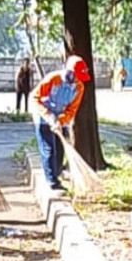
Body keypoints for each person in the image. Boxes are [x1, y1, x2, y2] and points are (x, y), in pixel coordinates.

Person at [31, 55, 90, 192]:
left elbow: (72, 110)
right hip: (43, 116)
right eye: (76, 76)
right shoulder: (53, 79)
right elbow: (35, 98)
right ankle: (52, 182)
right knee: (48, 149)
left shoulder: (79, 88)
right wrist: (48, 116)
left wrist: (61, 120)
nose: (77, 80)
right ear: (69, 72)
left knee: (60, 149)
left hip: (60, 119)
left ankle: (56, 173)